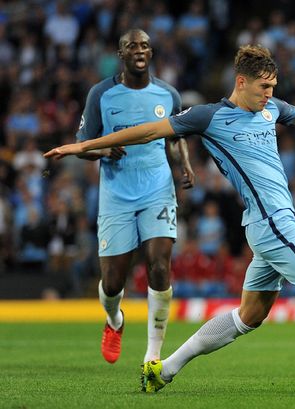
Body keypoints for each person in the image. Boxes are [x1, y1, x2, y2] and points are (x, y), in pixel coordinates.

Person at [45, 45, 295, 392]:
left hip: (265, 224)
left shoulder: (271, 109)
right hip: (273, 223)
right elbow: (147, 132)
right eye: (264, 87)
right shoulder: (207, 117)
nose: (270, 95)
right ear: (241, 82)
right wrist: (83, 145)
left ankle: (163, 369)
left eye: (273, 87)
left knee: (249, 315)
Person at [73, 29, 195, 364]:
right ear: (121, 54)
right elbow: (83, 144)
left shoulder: (167, 94)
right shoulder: (101, 94)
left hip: (157, 189)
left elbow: (177, 135)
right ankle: (115, 320)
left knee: (158, 265)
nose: (138, 50)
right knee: (113, 283)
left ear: (151, 52)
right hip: (116, 193)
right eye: (131, 46)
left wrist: (185, 164)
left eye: (143, 45)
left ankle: (153, 356)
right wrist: (103, 151)